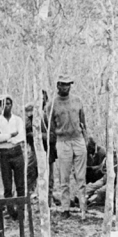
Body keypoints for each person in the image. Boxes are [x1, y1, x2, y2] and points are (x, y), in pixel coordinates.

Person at [50, 76, 88, 213]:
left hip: (78, 139)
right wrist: (59, 136)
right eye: (63, 85)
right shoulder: (52, 104)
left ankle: (83, 207)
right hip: (63, 141)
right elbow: (49, 126)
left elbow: (83, 121)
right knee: (64, 178)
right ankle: (65, 208)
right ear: (58, 85)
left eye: (68, 84)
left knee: (81, 177)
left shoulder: (77, 100)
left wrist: (85, 139)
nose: (66, 87)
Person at [0, 95, 25, 217]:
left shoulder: (18, 120)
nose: (6, 107)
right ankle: (11, 211)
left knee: (20, 183)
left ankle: (22, 211)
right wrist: (11, 135)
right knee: (7, 185)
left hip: (17, 152)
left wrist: (6, 137)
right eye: (4, 104)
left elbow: (21, 136)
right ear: (0, 106)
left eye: (9, 104)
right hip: (4, 154)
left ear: (12, 105)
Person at [23, 103, 40, 198]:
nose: (29, 114)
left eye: (31, 111)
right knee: (30, 171)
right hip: (33, 149)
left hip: (41, 150)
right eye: (28, 111)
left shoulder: (40, 119)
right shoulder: (27, 122)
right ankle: (28, 193)